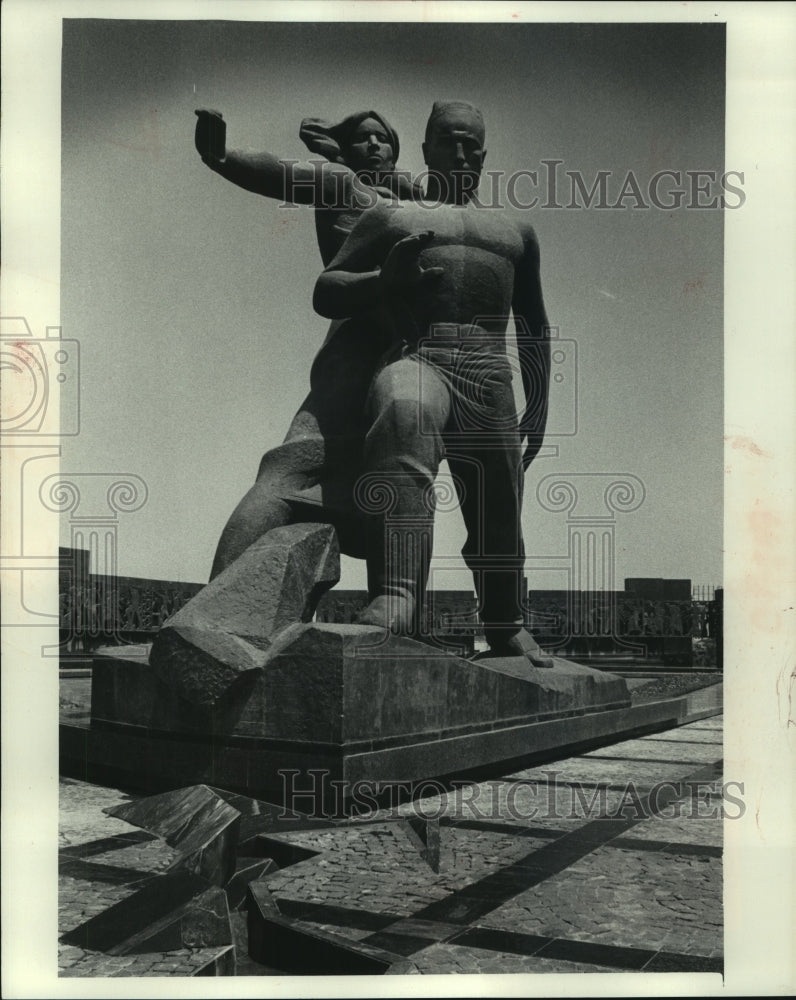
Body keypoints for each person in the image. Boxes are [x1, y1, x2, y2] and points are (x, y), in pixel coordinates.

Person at [314, 101, 555, 667]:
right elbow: (327, 290)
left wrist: (540, 401)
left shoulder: (515, 231)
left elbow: (535, 323)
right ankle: (396, 594)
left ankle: (505, 621)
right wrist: (382, 280)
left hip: (488, 370)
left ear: (485, 154)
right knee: (403, 412)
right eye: (451, 141)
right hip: (419, 355)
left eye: (473, 144)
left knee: (500, 494)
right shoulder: (393, 217)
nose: (463, 152)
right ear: (426, 149)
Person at [194, 108, 420, 577]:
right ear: (345, 148)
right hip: (356, 347)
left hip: (410, 352)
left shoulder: (413, 200)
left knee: (401, 481)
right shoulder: (341, 183)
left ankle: (392, 613)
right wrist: (221, 157)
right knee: (292, 467)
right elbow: (281, 173)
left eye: (384, 141)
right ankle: (216, 599)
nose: (375, 147)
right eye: (363, 139)